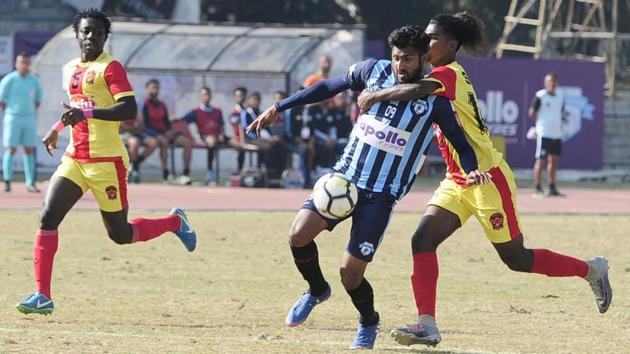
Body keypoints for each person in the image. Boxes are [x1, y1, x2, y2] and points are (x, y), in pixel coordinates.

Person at [357, 12, 612, 347]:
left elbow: (415, 90)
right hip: (457, 179)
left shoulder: (448, 74)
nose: (426, 42)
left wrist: (376, 94)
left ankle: (591, 269)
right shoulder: (439, 72)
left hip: (487, 178)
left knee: (516, 259)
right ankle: (427, 324)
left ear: (451, 45)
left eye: (432, 38)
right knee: (422, 241)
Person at [247, 25, 488, 349]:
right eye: (396, 57)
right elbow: (330, 86)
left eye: (408, 59)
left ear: (424, 58)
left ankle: (368, 321)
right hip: (343, 179)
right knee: (298, 235)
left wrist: (471, 171)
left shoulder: (435, 101)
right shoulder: (372, 71)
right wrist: (279, 107)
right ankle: (317, 289)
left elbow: (461, 142)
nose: (400, 65)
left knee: (351, 273)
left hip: (380, 195)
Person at [15, 9, 197, 316]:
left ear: (104, 37)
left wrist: (85, 115)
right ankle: (42, 295)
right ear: (77, 34)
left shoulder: (110, 68)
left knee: (120, 235)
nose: (90, 37)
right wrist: (57, 129)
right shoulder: (70, 67)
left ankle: (174, 222)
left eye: (97, 33)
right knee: (48, 217)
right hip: (75, 158)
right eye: (85, 32)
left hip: (106, 163)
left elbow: (128, 110)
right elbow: (76, 107)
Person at [0, 52, 42, 192]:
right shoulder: (9, 80)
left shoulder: (34, 81)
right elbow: (2, 101)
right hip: (13, 117)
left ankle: (30, 182)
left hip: (29, 118)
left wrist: (29, 112)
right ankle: (7, 180)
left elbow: (37, 102)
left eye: (26, 62)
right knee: (10, 149)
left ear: (29, 64)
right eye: (21, 62)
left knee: (28, 149)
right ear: (16, 64)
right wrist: (9, 113)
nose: (23, 65)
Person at [180, 87, 239, 184]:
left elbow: (222, 125)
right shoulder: (196, 112)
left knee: (237, 144)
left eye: (208, 94)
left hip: (218, 135)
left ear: (211, 96)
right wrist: (189, 135)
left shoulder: (217, 111)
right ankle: (210, 173)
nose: (206, 97)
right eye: (204, 94)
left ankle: (238, 174)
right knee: (211, 141)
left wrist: (221, 134)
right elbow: (182, 122)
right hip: (206, 136)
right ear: (200, 97)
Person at [140, 79, 193, 185]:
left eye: (157, 88)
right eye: (153, 88)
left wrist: (169, 131)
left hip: (164, 133)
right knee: (163, 143)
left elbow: (166, 122)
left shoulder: (162, 105)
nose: (155, 90)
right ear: (147, 89)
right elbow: (144, 125)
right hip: (151, 134)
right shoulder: (144, 104)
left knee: (187, 142)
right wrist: (157, 135)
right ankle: (166, 173)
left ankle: (185, 173)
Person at [529, 72, 565, 197]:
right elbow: (532, 112)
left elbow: (561, 112)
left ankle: (552, 187)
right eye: (550, 81)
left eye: (554, 81)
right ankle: (537, 187)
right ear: (545, 83)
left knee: (554, 160)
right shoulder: (540, 96)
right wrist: (539, 126)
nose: (552, 84)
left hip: (557, 134)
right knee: (541, 159)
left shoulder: (561, 96)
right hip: (544, 133)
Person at [241, 92, 286, 182]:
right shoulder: (246, 113)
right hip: (251, 139)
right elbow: (247, 131)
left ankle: (278, 173)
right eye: (254, 99)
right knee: (268, 147)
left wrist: (272, 137)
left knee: (280, 146)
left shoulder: (261, 113)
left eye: (258, 100)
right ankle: (266, 170)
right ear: (249, 101)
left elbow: (267, 127)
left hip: (264, 138)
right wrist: (265, 139)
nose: (256, 102)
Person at [120, 115, 158, 184]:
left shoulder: (136, 111)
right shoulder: (121, 108)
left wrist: (135, 128)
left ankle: (136, 163)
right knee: (134, 143)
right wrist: (132, 128)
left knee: (153, 143)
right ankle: (134, 169)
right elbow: (121, 127)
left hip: (137, 134)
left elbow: (141, 126)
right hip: (125, 135)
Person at [229, 86, 247, 173]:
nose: (239, 98)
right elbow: (236, 123)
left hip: (247, 138)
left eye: (241, 95)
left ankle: (260, 170)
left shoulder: (248, 110)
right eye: (237, 96)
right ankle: (239, 170)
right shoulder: (234, 111)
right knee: (241, 146)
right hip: (237, 139)